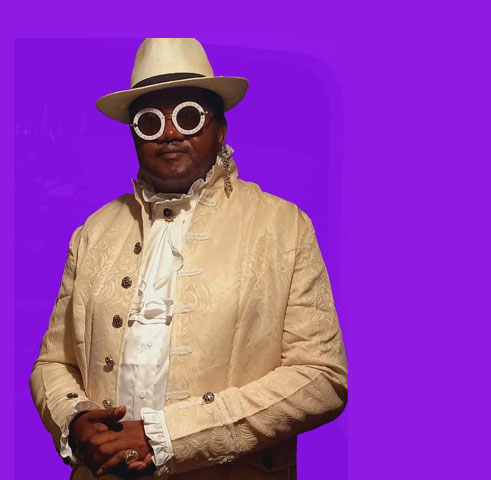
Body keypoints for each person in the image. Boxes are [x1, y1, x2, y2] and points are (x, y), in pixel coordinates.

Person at [30, 38, 348, 480]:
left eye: (188, 116)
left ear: (220, 130)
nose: (170, 133)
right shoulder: (94, 232)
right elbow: (53, 363)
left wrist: (169, 436)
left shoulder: (283, 227)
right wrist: (74, 419)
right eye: (149, 122)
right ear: (134, 136)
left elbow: (321, 378)